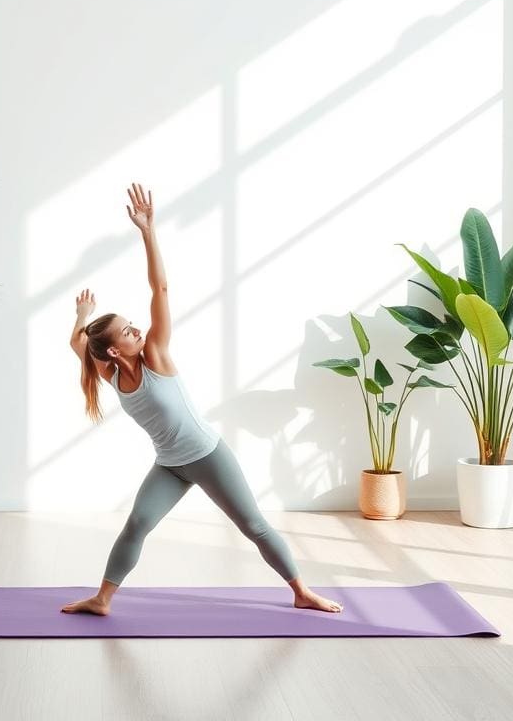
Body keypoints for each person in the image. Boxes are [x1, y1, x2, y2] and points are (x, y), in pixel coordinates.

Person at [60, 182, 343, 616]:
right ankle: (102, 599)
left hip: (208, 455)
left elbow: (161, 291)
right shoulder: (110, 372)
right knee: (137, 523)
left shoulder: (155, 355)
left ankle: (302, 592)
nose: (138, 330)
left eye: (133, 325)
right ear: (115, 350)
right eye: (128, 331)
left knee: (253, 525)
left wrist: (147, 232)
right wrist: (81, 318)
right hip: (170, 464)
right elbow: (79, 344)